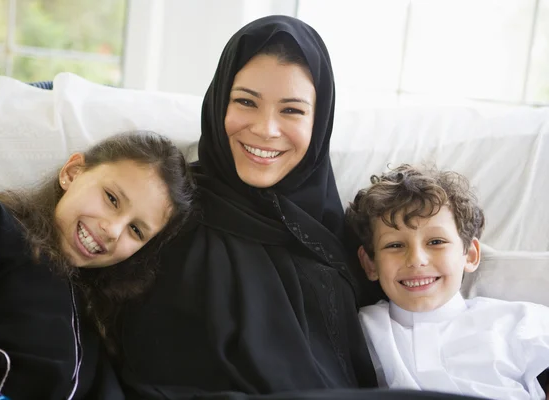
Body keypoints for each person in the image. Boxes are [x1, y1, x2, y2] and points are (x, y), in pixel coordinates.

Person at [117, 15, 484, 400]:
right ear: (219, 101)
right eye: (245, 102)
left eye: (291, 110)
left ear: (319, 121)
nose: (266, 129)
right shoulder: (168, 212)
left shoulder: (348, 238)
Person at [0, 131, 194, 400]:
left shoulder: (96, 318)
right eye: (112, 199)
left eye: (135, 230)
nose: (112, 230)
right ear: (73, 172)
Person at [345, 164, 549, 400]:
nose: (416, 260)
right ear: (370, 263)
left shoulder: (520, 322)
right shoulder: (358, 329)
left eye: (436, 242)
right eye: (395, 245)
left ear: (470, 255)